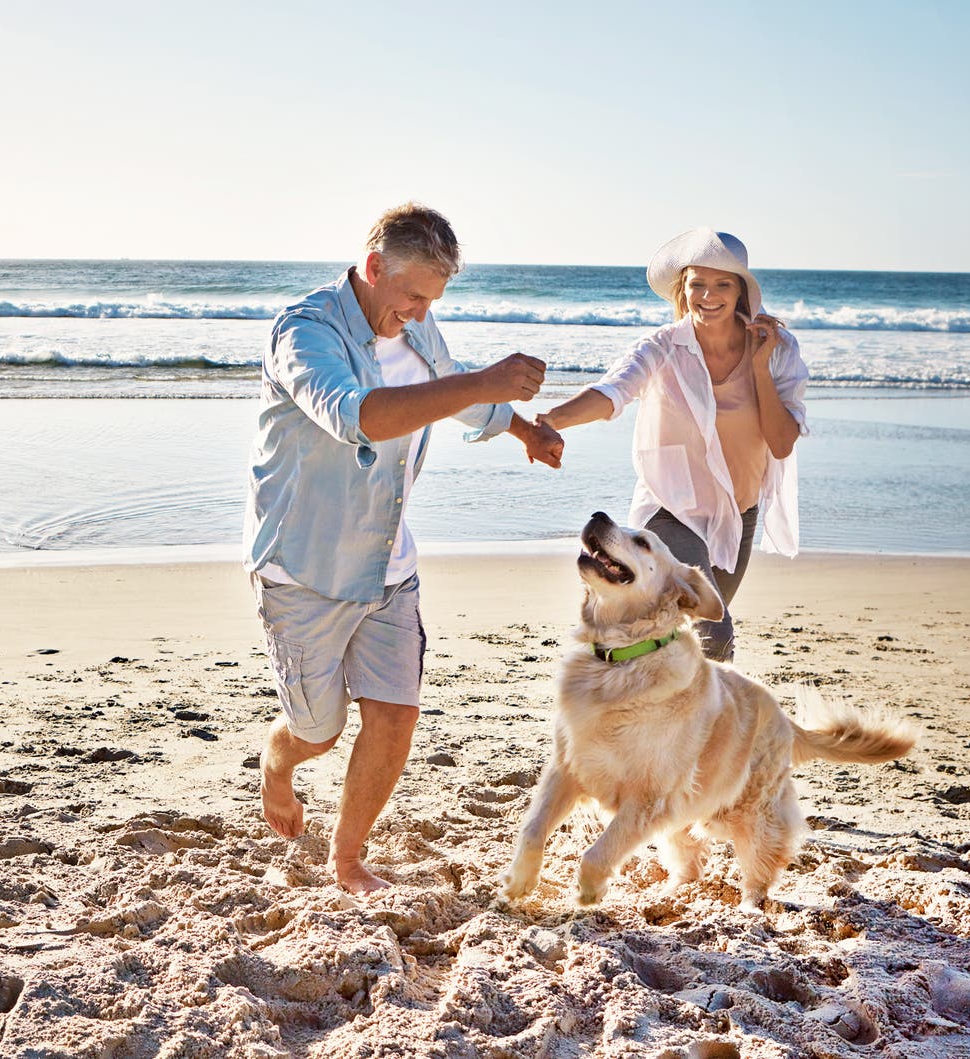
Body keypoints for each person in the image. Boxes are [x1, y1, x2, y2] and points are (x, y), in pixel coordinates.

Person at [244, 202, 564, 894]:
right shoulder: (305, 332)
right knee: (318, 732)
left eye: (432, 300)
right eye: (414, 296)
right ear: (373, 267)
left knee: (395, 717)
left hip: (388, 561)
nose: (421, 313)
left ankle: (347, 858)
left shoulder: (415, 326)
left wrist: (523, 429)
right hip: (305, 567)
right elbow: (356, 416)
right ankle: (278, 759)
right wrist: (479, 382)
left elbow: (453, 392)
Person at [538, 228, 808, 661]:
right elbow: (612, 393)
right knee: (713, 635)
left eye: (722, 284)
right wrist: (551, 421)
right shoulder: (662, 347)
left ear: (740, 291)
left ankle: (646, 694)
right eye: (697, 284)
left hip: (739, 514)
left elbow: (781, 443)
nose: (708, 296)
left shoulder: (778, 351)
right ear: (683, 289)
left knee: (685, 639)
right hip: (671, 509)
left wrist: (759, 367)